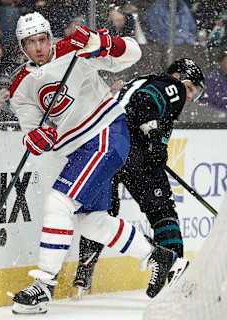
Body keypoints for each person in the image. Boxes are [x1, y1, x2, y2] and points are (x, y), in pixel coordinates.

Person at [9, 12, 180, 314]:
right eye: (30, 42)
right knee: (90, 221)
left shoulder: (74, 49)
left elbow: (133, 53)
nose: (38, 47)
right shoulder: (21, 87)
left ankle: (44, 284)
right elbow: (33, 132)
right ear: (21, 46)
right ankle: (160, 257)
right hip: (79, 150)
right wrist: (36, 139)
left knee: (59, 203)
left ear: (50, 37)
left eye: (42, 39)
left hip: (105, 133)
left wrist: (101, 42)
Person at [72, 57, 205, 295]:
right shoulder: (171, 85)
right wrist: (154, 139)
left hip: (105, 147)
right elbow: (145, 102)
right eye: (192, 89)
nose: (190, 97)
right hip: (131, 149)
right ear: (181, 79)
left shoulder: (140, 81)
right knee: (162, 210)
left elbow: (134, 103)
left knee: (103, 212)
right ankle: (177, 272)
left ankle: (84, 272)